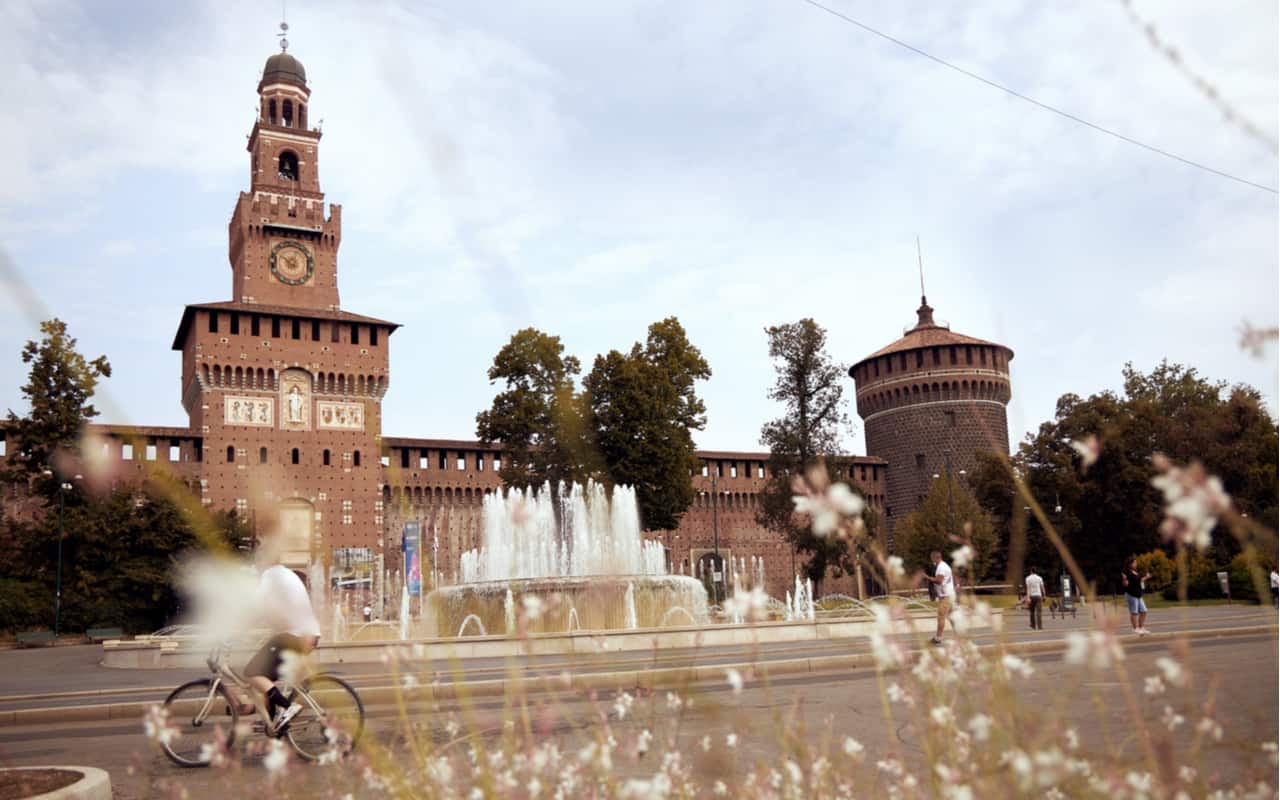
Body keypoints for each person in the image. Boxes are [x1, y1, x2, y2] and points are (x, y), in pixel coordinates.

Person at [241, 535, 322, 732]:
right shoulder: (285, 574)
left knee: (251, 673)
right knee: (266, 679)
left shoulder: (272, 575)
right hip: (306, 635)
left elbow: (254, 606)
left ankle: (288, 707)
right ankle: (271, 722)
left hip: (295, 636)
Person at [926, 551, 956, 645]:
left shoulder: (941, 567)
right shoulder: (943, 566)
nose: (932, 561)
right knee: (951, 616)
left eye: (932, 559)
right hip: (948, 595)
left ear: (935, 558)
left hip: (946, 596)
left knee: (941, 616)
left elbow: (939, 580)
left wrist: (927, 577)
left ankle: (938, 638)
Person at [1120, 555, 1151, 636]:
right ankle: (1135, 629)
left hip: (1138, 594)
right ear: (1130, 564)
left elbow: (1139, 581)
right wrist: (1124, 579)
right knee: (1134, 612)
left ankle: (1141, 627)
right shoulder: (1126, 572)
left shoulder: (1136, 571)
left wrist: (1146, 577)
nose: (1136, 564)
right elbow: (1125, 585)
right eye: (1134, 562)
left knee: (1144, 611)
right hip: (1131, 595)